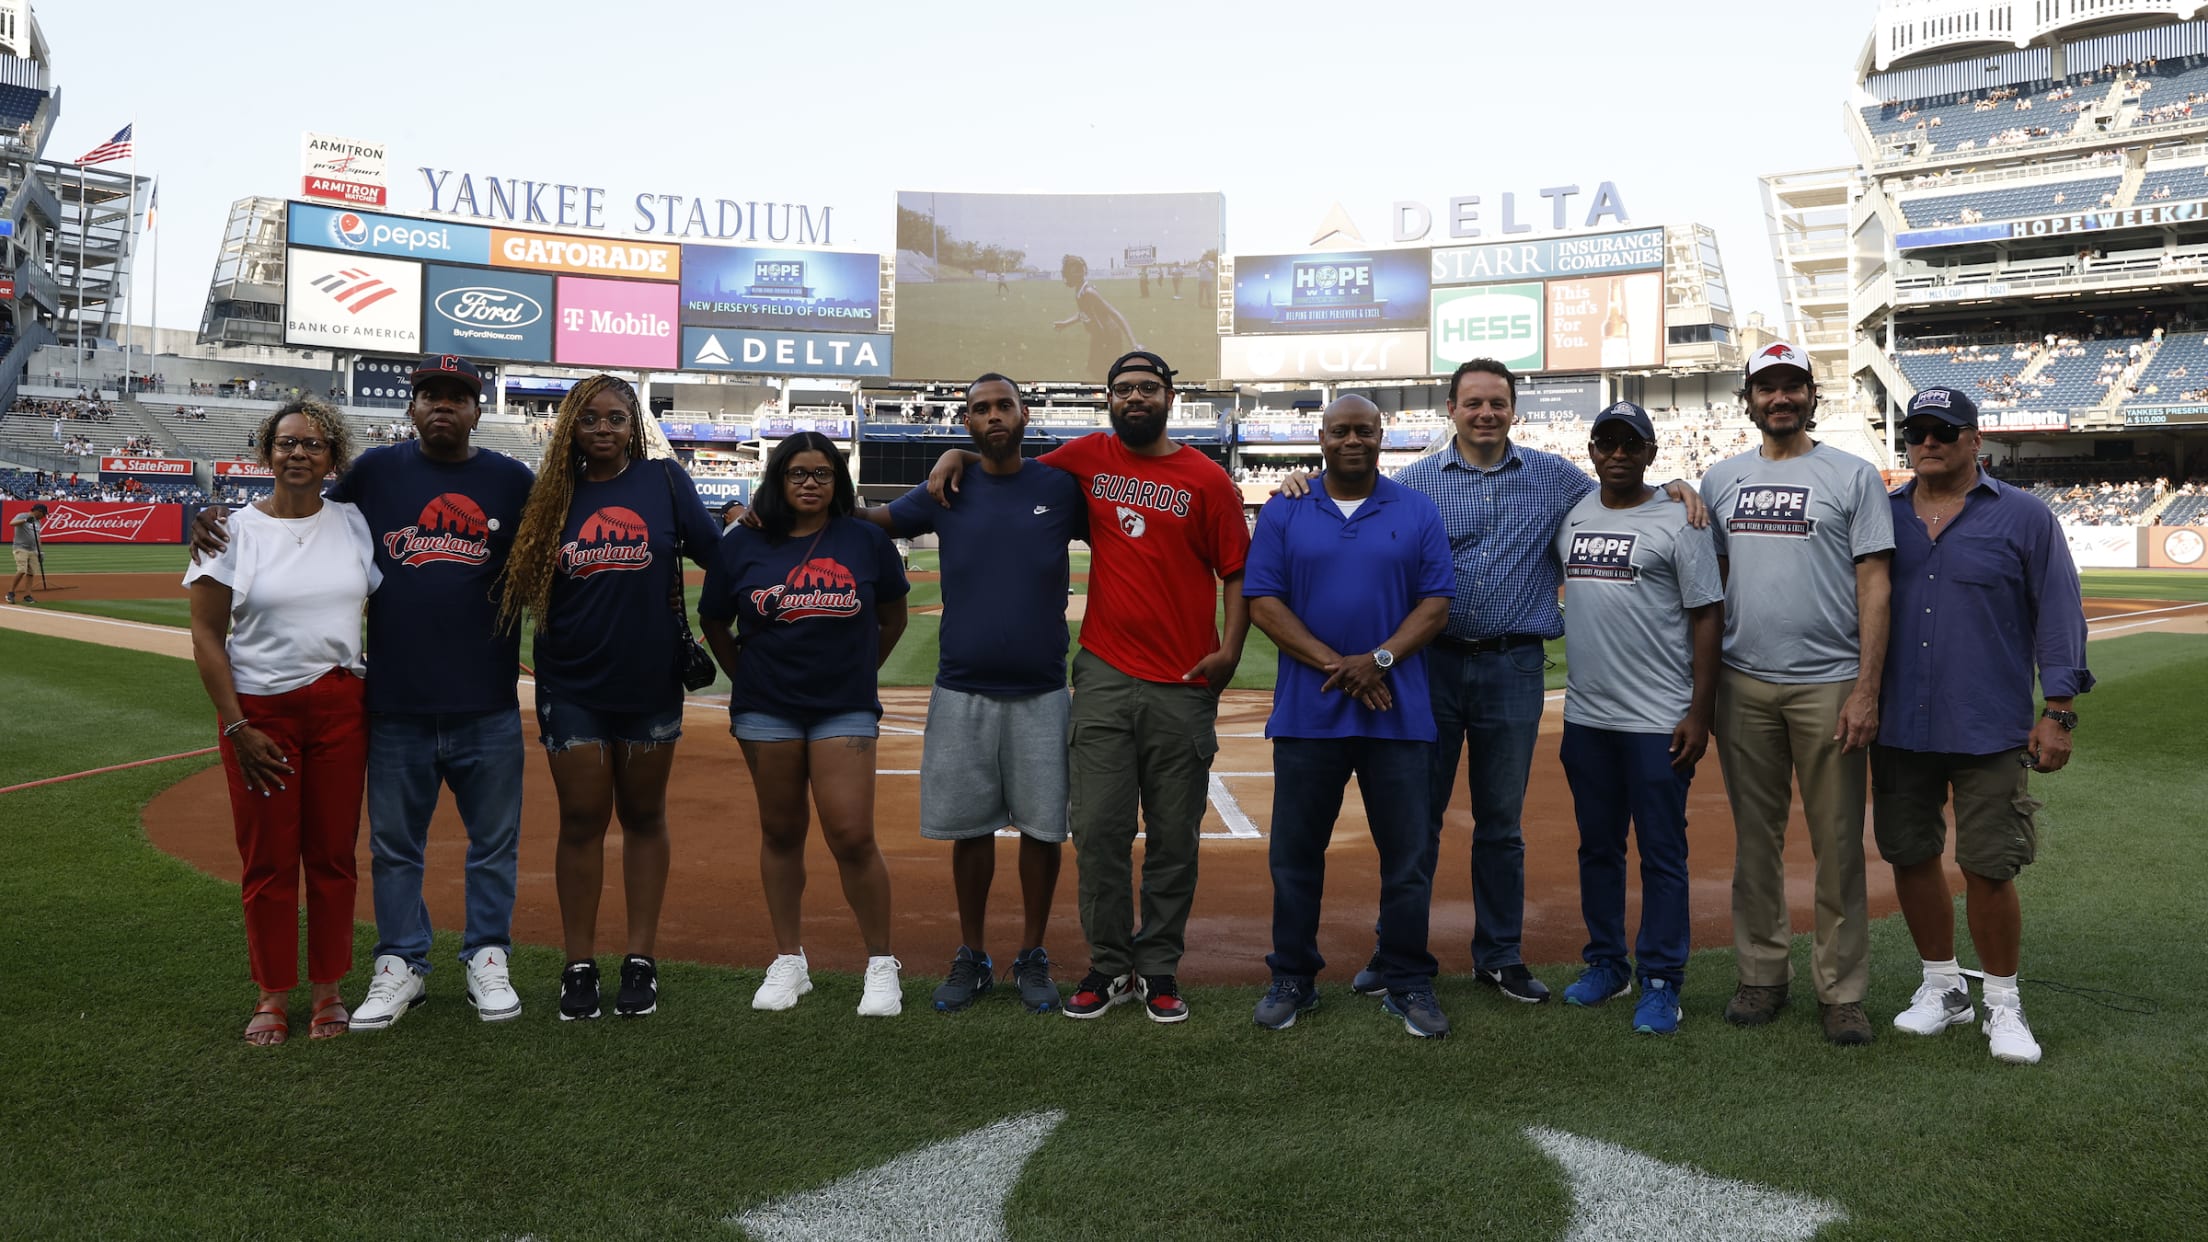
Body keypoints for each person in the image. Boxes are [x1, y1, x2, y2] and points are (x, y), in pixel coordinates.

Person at [1280, 361, 1702, 1005]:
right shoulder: (1414, 483)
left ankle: (1500, 954)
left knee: (1500, 822)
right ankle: (1394, 949)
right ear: (1450, 408)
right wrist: (1298, 482)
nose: (1486, 412)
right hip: (1431, 666)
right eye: (1473, 402)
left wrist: (1675, 484)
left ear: (1513, 410)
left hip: (1513, 664)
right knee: (1414, 819)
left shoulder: (1557, 478)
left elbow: (1622, 490)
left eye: (1497, 403)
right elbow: (1349, 504)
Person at [191, 356, 537, 1030]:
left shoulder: (508, 479)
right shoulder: (375, 477)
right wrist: (216, 512)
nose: (444, 406)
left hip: (475, 701)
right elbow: (286, 516)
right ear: (411, 408)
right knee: (388, 849)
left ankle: (485, 957)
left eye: (459, 397)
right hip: (392, 704)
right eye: (430, 395)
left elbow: (562, 531)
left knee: (488, 844)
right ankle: (397, 962)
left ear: (477, 408)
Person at [928, 350, 1249, 1023]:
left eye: (1148, 388)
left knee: (1173, 835)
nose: (1135, 398)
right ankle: (1109, 965)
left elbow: (1235, 571)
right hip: (1103, 671)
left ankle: (1157, 967)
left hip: (1185, 677)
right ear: (1109, 399)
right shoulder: (1085, 457)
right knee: (1098, 830)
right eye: (1123, 389)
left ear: (1169, 396)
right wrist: (957, 452)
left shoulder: (1207, 479)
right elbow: (1005, 461)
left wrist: (1230, 650)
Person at [1875, 387, 2092, 1065]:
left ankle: (2003, 1003)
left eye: (1944, 430)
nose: (1929, 441)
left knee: (1989, 866)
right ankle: (1941, 985)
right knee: (1909, 854)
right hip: (1898, 723)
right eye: (1917, 431)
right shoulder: (1880, 519)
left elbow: (2059, 613)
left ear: (1976, 440)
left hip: (1988, 723)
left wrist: (2057, 712)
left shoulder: (2025, 517)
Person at [497, 374, 719, 1021]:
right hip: (571, 683)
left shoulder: (666, 483)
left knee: (645, 817)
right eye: (589, 418)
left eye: (616, 418)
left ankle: (641, 960)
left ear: (634, 425)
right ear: (571, 425)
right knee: (582, 819)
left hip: (650, 681)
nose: (603, 429)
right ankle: (578, 965)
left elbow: (720, 556)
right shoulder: (549, 497)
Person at [867, 374, 1085, 1013]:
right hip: (962, 688)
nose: (993, 416)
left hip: (1043, 690)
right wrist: (792, 504)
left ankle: (1033, 952)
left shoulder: (1060, 486)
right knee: (971, 829)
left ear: (1024, 414)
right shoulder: (945, 488)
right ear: (965, 423)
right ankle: (972, 953)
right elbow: (876, 520)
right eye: (980, 410)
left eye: (1003, 406)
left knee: (1044, 830)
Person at [1700, 342, 1894, 1045]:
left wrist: (1866, 688)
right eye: (1765, 388)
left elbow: (1875, 582)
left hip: (1830, 682)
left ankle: (1841, 990)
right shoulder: (1720, 479)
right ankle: (1762, 975)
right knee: (1756, 843)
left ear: (1813, 396)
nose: (1779, 399)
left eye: (1792, 387)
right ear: (1747, 400)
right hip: (1744, 682)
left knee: (1839, 844)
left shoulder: (1852, 474)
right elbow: (1707, 587)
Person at [1244, 396, 1455, 1038]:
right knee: (1296, 853)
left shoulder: (1415, 508)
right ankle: (1293, 977)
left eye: (1366, 429)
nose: (1354, 439)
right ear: (1323, 436)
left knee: (1408, 856)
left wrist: (1380, 659)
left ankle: (1406, 976)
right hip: (1311, 714)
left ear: (1382, 435)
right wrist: (1344, 665)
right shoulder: (1285, 506)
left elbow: (1436, 603)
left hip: (1400, 713)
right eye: (1342, 430)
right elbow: (1263, 602)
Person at [183, 398, 378, 1045]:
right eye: (287, 443)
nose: (299, 453)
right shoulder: (231, 530)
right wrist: (237, 726)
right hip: (260, 713)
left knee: (331, 855)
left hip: (341, 706)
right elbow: (207, 636)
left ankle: (328, 988)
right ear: (267, 453)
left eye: (314, 444)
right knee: (267, 859)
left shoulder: (355, 523)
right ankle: (272, 994)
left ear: (333, 457)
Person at [699, 432, 911, 1017]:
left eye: (821, 473)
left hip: (842, 705)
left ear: (837, 481)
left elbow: (893, 615)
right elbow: (714, 618)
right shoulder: (744, 544)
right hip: (766, 707)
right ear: (779, 479)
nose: (810, 483)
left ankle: (880, 962)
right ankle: (789, 959)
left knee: (850, 832)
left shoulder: (866, 540)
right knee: (781, 831)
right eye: (798, 473)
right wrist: (743, 676)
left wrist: (863, 668)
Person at [1553, 402, 1723, 1036]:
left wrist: (1699, 713)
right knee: (1597, 847)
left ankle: (1660, 979)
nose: (1619, 452)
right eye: (1607, 442)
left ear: (1652, 453)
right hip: (1588, 717)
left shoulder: (1682, 518)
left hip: (1658, 718)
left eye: (1633, 443)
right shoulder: (1573, 514)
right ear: (1592, 450)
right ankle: (1606, 962)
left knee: (1661, 852)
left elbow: (1708, 614)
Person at [1053, 255, 1139, 381]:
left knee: (1105, 373)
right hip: (1099, 336)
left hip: (1109, 337)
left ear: (1082, 271)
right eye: (1071, 270)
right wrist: (1066, 323)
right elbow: (1083, 313)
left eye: (1077, 269)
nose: (1074, 273)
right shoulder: (1080, 290)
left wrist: (1134, 343)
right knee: (1095, 370)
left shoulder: (1089, 292)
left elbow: (1115, 313)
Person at [8, 502, 46, 604]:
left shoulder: (38, 522)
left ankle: (27, 595)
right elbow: (11, 523)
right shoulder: (23, 515)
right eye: (44, 514)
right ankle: (10, 593)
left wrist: (40, 551)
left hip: (33, 549)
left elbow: (38, 537)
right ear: (38, 511)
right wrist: (25, 520)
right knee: (21, 570)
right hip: (20, 548)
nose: (44, 516)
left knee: (31, 573)